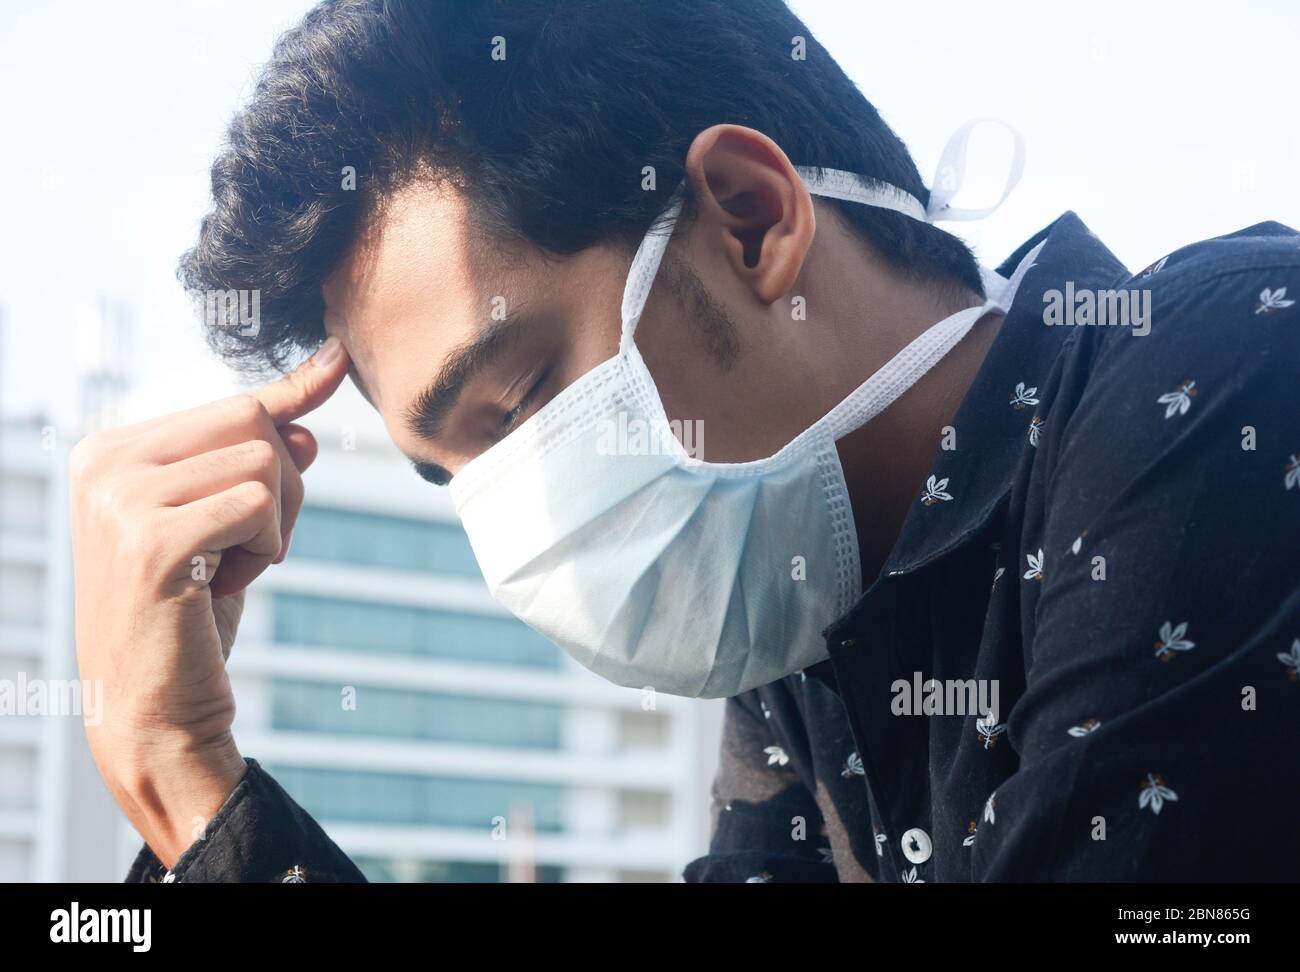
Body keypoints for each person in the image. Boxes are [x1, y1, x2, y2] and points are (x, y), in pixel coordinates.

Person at [69, 0, 1300, 883]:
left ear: (753, 218)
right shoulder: (799, 645)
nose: (524, 526)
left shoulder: (1217, 373)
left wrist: (191, 791)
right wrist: (193, 777)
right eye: (458, 476)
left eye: (520, 399)